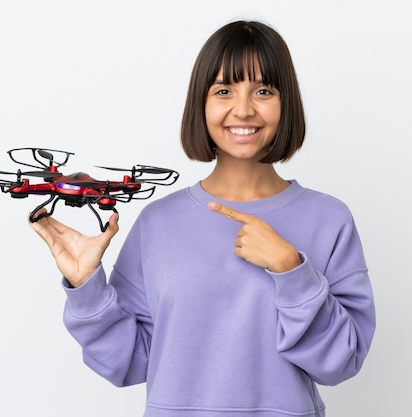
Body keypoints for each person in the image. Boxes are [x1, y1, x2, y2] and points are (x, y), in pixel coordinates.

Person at [30, 20, 375, 417]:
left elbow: (342, 362)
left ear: (286, 103)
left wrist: (291, 270)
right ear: (202, 102)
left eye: (263, 91)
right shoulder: (158, 223)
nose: (243, 109)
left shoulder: (329, 219)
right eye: (224, 90)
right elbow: (130, 361)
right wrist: (86, 286)